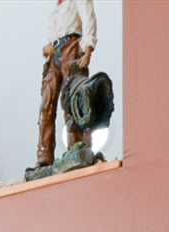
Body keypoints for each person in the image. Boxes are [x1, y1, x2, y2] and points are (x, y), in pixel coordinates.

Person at [33, 0, 98, 179]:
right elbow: (52, 33)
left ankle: (76, 146)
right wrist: (47, 46)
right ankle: (44, 156)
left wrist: (88, 48)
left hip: (72, 46)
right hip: (55, 53)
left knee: (72, 98)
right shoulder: (57, 8)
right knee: (47, 103)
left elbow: (88, 17)